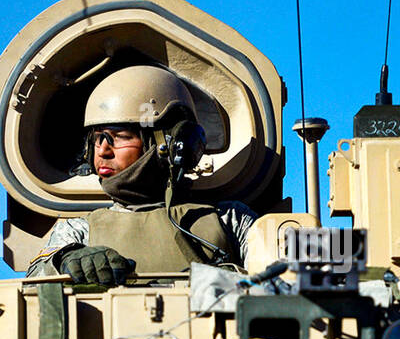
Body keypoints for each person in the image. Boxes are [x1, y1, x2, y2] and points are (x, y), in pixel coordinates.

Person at [26, 65, 257, 285]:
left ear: (170, 144)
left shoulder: (229, 221)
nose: (103, 151)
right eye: (98, 139)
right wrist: (66, 259)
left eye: (120, 137)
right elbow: (34, 284)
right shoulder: (79, 231)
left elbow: (285, 278)